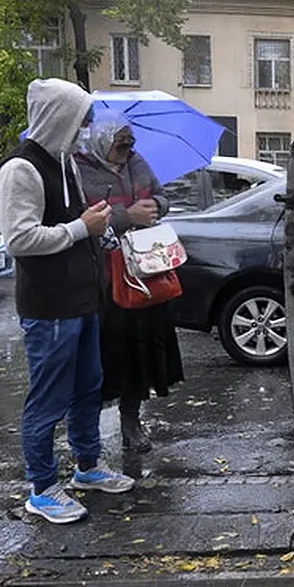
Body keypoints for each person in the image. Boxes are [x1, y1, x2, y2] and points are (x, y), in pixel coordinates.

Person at [0, 78, 136, 525]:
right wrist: (81, 228)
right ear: (60, 117)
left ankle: (87, 467)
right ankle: (41, 489)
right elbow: (19, 239)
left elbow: (78, 224)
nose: (85, 129)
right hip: (49, 307)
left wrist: (105, 233)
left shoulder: (65, 163)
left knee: (87, 389)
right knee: (47, 400)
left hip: (83, 299)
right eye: (80, 119)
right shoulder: (21, 169)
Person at [74, 109, 185, 454]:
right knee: (108, 351)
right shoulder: (80, 171)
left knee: (141, 347)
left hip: (146, 269)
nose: (126, 151)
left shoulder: (138, 163)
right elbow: (79, 222)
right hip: (105, 278)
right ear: (102, 142)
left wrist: (157, 205)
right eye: (120, 145)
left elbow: (163, 197)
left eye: (129, 143)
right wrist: (126, 215)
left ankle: (131, 420)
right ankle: (87, 434)